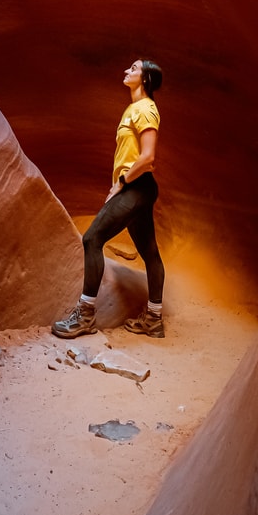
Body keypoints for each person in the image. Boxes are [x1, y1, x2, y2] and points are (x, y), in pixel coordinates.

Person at [53, 59, 167, 339]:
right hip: (136, 188)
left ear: (146, 80)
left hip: (137, 188)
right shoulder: (133, 109)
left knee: (92, 239)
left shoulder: (146, 109)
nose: (127, 71)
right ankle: (153, 319)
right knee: (150, 252)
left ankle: (85, 316)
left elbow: (148, 156)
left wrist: (122, 183)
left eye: (134, 69)